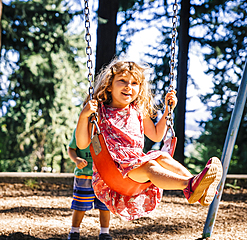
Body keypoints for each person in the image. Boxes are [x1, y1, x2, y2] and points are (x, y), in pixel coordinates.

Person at [75, 59, 223, 221]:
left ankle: (196, 186)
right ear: (109, 85)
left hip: (135, 163)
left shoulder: (138, 111)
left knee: (162, 156)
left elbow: (156, 135)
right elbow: (82, 144)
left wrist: (168, 109)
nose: (128, 86)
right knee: (151, 165)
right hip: (114, 169)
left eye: (134, 83)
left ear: (140, 88)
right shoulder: (100, 112)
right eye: (122, 81)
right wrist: (84, 115)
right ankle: (190, 185)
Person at [67, 129, 115, 240]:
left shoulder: (107, 129)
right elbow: (71, 149)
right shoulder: (79, 130)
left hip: (103, 176)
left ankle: (105, 233)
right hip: (84, 175)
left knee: (105, 206)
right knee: (80, 206)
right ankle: (74, 232)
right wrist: (76, 160)